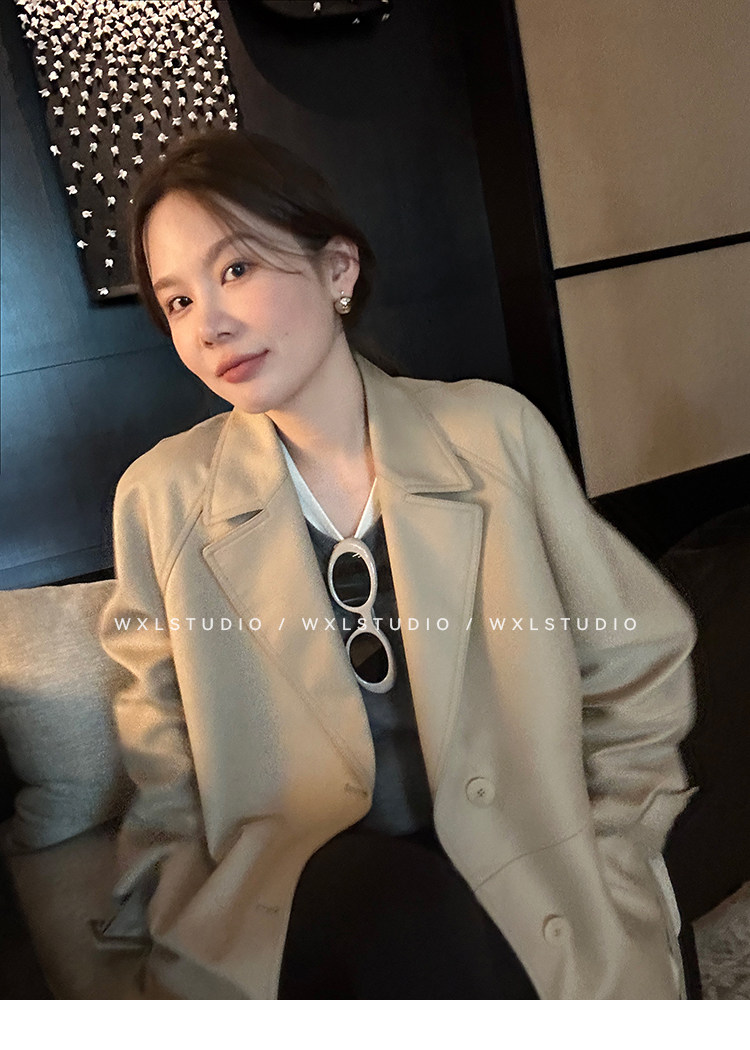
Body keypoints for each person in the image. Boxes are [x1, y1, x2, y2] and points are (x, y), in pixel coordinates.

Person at [97, 128, 698, 999]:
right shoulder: (161, 498)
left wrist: (612, 852)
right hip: (300, 894)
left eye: (237, 269)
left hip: (522, 862)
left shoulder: (491, 434)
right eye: (179, 301)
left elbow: (635, 663)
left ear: (337, 270)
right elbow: (162, 763)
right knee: (390, 910)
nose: (211, 323)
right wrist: (188, 910)